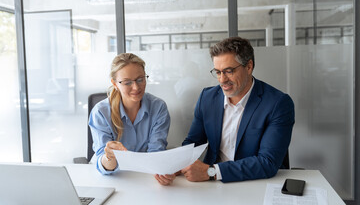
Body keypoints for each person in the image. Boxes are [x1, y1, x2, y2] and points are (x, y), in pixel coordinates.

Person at [180, 37, 295, 183]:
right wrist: (177, 164)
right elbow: (193, 142)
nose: (222, 80)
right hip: (212, 184)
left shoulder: (277, 104)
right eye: (218, 72)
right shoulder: (207, 98)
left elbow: (267, 162)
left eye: (228, 71)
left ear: (248, 67)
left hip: (255, 181)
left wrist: (211, 172)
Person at [89, 53, 175, 186]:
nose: (136, 87)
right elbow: (103, 163)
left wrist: (160, 171)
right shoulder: (101, 112)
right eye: (127, 82)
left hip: (144, 178)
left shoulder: (158, 108)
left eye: (140, 79)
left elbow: (155, 152)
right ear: (115, 83)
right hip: (110, 179)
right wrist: (110, 157)